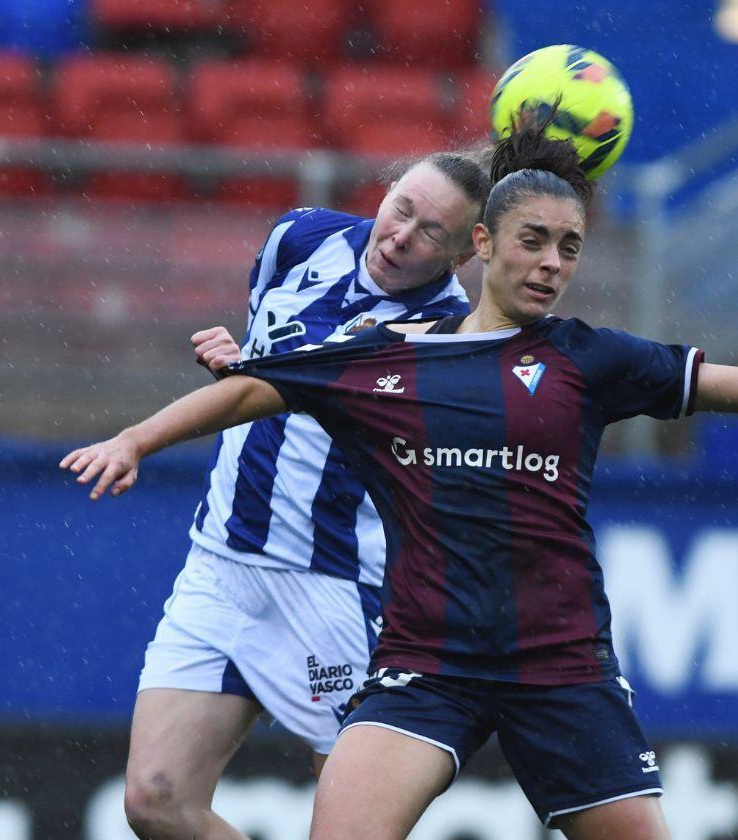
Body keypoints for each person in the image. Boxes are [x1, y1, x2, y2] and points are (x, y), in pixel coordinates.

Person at [63, 126, 738, 839]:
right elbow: (261, 385)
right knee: (179, 803)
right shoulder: (392, 352)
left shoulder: (587, 356)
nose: (551, 263)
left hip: (556, 659)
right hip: (430, 661)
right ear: (488, 247)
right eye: (532, 239)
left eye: (569, 247)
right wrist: (142, 434)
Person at [119, 149, 491, 840]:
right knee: (155, 800)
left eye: (431, 233)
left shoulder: (445, 334)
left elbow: (304, 386)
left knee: (353, 828)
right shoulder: (299, 238)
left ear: (461, 257)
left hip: (331, 588)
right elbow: (267, 365)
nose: (401, 235)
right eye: (401, 208)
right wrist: (240, 363)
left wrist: (147, 433)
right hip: (222, 563)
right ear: (386, 192)